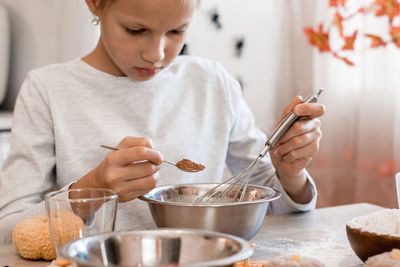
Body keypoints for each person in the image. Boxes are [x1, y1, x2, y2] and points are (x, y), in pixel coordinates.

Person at [0, 0, 325, 244]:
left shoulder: (211, 82)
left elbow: (281, 206)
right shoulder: (46, 90)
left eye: (176, 31)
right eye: (135, 30)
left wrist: (289, 170)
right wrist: (91, 190)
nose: (156, 54)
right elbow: (8, 228)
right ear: (95, 3)